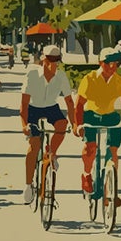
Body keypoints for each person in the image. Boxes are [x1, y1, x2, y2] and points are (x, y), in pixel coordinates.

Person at [75, 44, 121, 208]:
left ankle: (111, 191)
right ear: (100, 62)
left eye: (115, 63)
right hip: (91, 115)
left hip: (110, 117)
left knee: (113, 151)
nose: (112, 67)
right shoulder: (90, 78)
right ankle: (87, 174)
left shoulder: (119, 81)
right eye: (108, 63)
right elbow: (79, 105)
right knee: (91, 148)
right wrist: (78, 125)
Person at [18, 42, 71, 202]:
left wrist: (75, 123)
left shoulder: (61, 76)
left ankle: (52, 152)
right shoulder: (32, 75)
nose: (53, 64)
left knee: (63, 124)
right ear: (43, 60)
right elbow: (24, 104)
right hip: (33, 108)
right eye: (50, 60)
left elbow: (69, 102)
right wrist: (24, 125)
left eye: (56, 61)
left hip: (51, 107)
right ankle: (28, 185)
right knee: (34, 145)